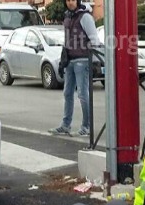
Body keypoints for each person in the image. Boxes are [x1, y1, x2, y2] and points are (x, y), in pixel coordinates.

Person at [49, 0, 102, 137]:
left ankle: (86, 127)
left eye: (73, 0)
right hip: (70, 60)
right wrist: (63, 60)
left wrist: (91, 57)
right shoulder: (68, 16)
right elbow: (67, 40)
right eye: (67, 0)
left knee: (83, 94)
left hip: (83, 60)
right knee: (67, 93)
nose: (70, 2)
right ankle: (66, 125)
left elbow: (94, 40)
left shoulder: (85, 17)